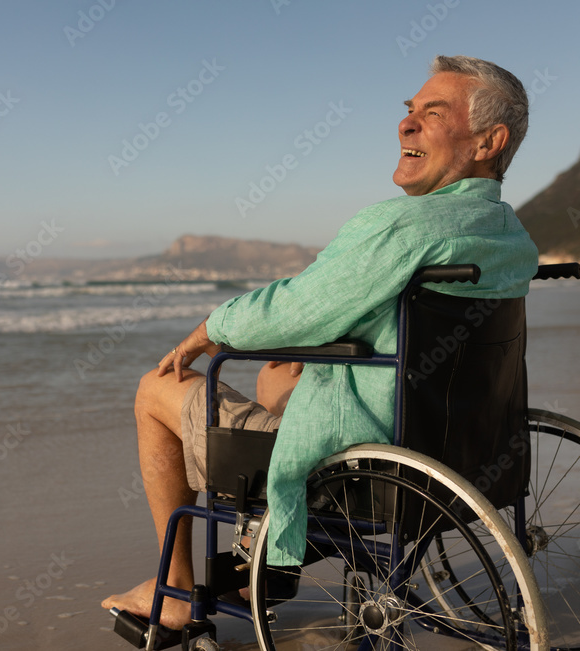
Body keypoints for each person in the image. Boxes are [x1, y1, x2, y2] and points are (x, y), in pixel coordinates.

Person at [102, 55, 539, 629]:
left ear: (489, 141)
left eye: (433, 113)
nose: (406, 125)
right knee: (280, 373)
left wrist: (212, 329)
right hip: (460, 439)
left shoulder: (401, 227)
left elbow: (298, 307)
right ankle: (265, 565)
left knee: (156, 389)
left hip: (369, 457)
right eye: (409, 111)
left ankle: (178, 587)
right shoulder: (507, 233)